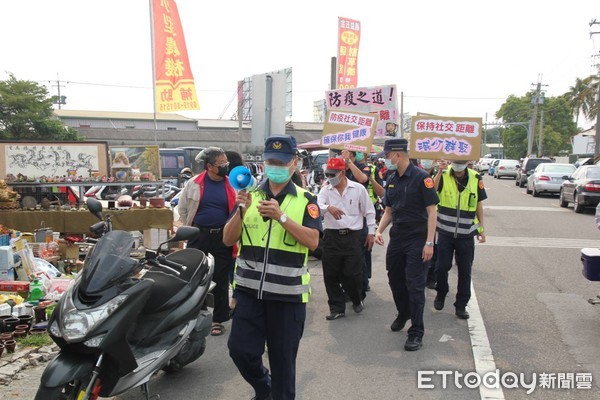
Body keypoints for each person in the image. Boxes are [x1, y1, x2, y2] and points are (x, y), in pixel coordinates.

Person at [223, 135, 322, 400]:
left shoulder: (306, 199)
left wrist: (281, 217)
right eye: (270, 161)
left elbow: (313, 242)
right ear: (263, 163)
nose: (274, 166)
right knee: (240, 351)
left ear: (294, 163)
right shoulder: (249, 196)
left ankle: (275, 392)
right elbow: (228, 238)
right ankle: (263, 386)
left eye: (281, 161)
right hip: (248, 293)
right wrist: (241, 210)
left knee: (283, 366)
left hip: (287, 298)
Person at [374, 138, 438, 352]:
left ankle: (416, 331)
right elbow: (389, 211)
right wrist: (378, 230)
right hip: (398, 236)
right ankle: (403, 312)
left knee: (415, 284)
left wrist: (429, 242)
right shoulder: (392, 178)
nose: (386, 160)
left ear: (398, 155)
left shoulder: (422, 178)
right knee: (394, 279)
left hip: (418, 237)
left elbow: (432, 212)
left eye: (387, 156)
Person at [176, 147, 236, 337]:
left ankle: (218, 319)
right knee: (197, 277)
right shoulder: (194, 183)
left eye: (226, 162)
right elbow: (183, 209)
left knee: (220, 278)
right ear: (209, 166)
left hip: (223, 237)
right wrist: (190, 229)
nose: (227, 166)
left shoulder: (232, 184)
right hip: (198, 236)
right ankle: (199, 316)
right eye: (222, 164)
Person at [318, 157, 376, 320]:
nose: (330, 178)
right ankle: (337, 307)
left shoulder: (358, 189)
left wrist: (371, 232)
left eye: (332, 174)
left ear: (342, 173)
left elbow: (369, 212)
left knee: (352, 273)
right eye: (328, 175)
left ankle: (357, 298)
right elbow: (317, 205)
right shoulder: (326, 190)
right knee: (330, 274)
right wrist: (328, 207)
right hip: (332, 236)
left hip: (353, 237)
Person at [433, 159, 487, 320]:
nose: (458, 164)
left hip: (466, 233)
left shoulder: (475, 177)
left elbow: (478, 204)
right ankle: (441, 293)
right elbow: (431, 191)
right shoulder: (443, 174)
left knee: (465, 271)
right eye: (456, 161)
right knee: (441, 267)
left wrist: (481, 229)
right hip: (445, 232)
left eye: (461, 161)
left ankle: (461, 305)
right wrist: (438, 172)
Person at [420, 159, 438, 290]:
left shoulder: (439, 172)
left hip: (435, 217)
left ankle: (431, 277)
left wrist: (441, 171)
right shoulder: (417, 173)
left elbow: (434, 190)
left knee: (433, 249)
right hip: (420, 217)